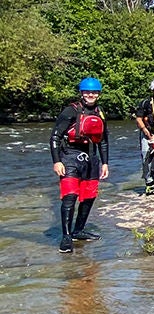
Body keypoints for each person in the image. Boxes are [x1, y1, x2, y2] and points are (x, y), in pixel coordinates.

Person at [50, 77, 110, 254]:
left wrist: (105, 163)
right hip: (69, 157)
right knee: (70, 196)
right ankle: (66, 237)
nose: (91, 95)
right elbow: (55, 137)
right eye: (87, 92)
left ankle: (78, 231)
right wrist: (56, 161)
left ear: (98, 94)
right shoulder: (70, 111)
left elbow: (103, 140)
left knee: (89, 197)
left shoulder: (100, 112)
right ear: (82, 93)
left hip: (91, 159)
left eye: (94, 92)